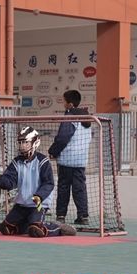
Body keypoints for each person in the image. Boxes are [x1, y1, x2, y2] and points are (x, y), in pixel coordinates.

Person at [0, 126, 76, 238]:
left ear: (35, 143)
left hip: (38, 204)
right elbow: (9, 183)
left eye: (25, 142)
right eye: (20, 143)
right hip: (22, 204)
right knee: (5, 229)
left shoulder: (42, 161)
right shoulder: (16, 162)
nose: (22, 146)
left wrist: (39, 196)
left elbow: (49, 183)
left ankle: (58, 228)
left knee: (35, 231)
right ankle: (29, 225)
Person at [48, 90, 92, 225]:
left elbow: (63, 137)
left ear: (70, 104)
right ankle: (83, 216)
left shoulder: (69, 116)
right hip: (81, 160)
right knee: (80, 188)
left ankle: (61, 215)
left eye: (64, 101)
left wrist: (53, 151)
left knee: (63, 187)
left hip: (67, 159)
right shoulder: (88, 118)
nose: (63, 104)